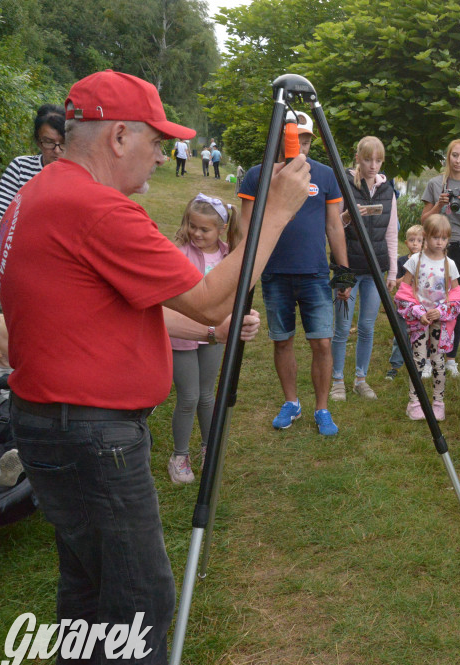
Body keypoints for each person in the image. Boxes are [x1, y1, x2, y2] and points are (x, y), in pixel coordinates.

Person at [0, 69, 308, 665]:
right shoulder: (98, 210)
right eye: (155, 140)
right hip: (93, 438)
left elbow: (115, 311)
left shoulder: (41, 193)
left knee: (88, 594)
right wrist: (273, 214)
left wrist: (211, 332)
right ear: (116, 137)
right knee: (140, 602)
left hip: (51, 425)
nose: (163, 154)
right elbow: (216, 295)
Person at [238, 111, 349, 436]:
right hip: (274, 274)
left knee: (323, 344)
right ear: (279, 138)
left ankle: (322, 408)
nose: (298, 144)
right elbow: (246, 228)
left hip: (315, 275)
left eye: (304, 138)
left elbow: (334, 225)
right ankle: (291, 403)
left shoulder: (326, 175)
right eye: (292, 136)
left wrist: (342, 271)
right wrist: (246, 273)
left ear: (311, 140)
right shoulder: (258, 176)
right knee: (282, 341)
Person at [167, 193, 242, 484]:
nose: (196, 233)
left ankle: (209, 451)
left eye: (204, 229)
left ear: (221, 229)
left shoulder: (228, 255)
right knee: (189, 396)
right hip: (183, 335)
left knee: (208, 395)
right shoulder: (179, 253)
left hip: (214, 335)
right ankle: (180, 456)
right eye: (192, 226)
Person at [331, 136, 399, 401]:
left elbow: (392, 233)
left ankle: (361, 378)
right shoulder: (344, 184)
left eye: (378, 160)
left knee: (367, 327)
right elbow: (332, 226)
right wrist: (347, 217)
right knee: (342, 326)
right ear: (357, 157)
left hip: (375, 270)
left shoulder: (387, 191)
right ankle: (337, 380)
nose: (373, 165)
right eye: (368, 159)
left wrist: (392, 271)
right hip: (346, 267)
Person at [421, 139, 460, 377]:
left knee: (455, 305)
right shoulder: (435, 183)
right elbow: (424, 221)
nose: (458, 161)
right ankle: (427, 358)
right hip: (436, 247)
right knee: (431, 301)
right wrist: (439, 204)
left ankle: (451, 359)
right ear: (448, 157)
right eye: (454, 156)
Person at [395, 214, 460, 421]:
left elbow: (456, 294)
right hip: (419, 320)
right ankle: (414, 402)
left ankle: (438, 403)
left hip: (439, 323)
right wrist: (419, 312)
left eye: (444, 238)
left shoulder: (450, 264)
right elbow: (404, 290)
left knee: (438, 361)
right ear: (426, 236)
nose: (439, 242)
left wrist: (441, 311)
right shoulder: (415, 260)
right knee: (417, 360)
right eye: (435, 237)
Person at [0, 104, 65, 239]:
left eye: (63, 142)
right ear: (38, 141)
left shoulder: (83, 174)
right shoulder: (21, 167)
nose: (57, 150)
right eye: (48, 142)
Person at [386, 225, 423, 380]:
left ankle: (419, 364)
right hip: (403, 305)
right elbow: (396, 283)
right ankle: (395, 365)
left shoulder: (428, 261)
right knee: (400, 335)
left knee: (420, 336)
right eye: (412, 240)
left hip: (421, 306)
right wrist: (409, 273)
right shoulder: (401, 261)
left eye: (419, 241)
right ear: (406, 242)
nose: (415, 243)